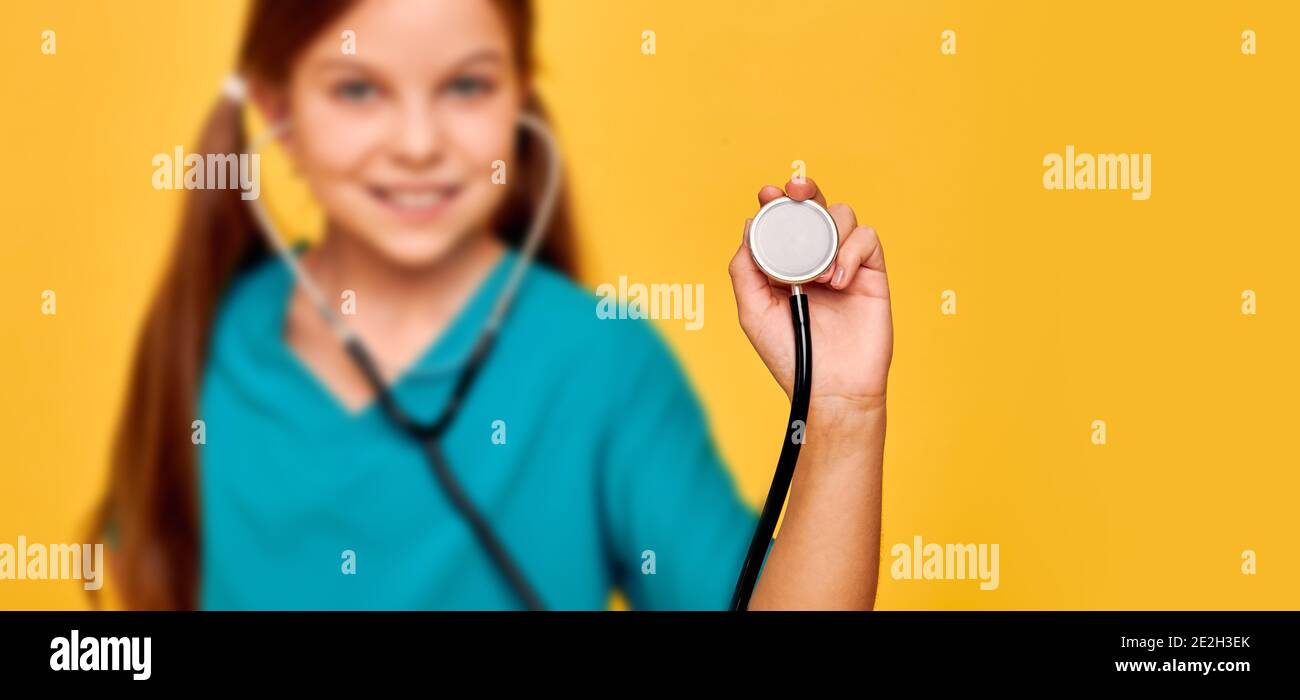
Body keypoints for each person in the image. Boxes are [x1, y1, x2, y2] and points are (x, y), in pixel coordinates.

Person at [95, 0, 893, 610]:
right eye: (358, 89)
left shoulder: (601, 366)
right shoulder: (211, 338)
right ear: (278, 118)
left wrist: (843, 414)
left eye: (466, 86)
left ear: (517, 102)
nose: (417, 142)